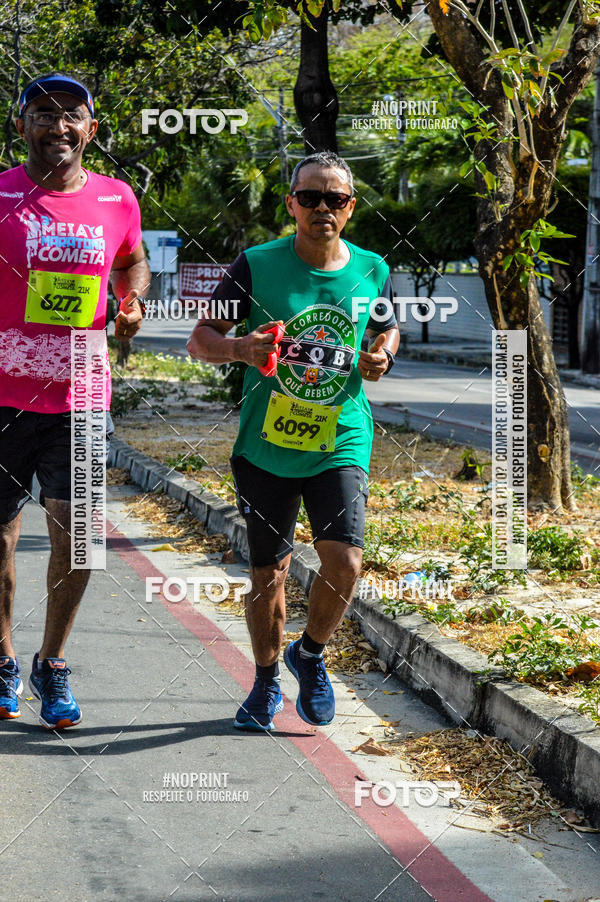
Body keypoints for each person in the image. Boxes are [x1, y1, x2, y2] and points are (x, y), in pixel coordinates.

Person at [187, 151, 399, 731]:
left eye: (335, 199)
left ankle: (310, 653)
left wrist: (382, 355)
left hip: (340, 437)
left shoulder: (372, 269)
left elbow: (385, 328)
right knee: (268, 575)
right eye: (310, 198)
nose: (322, 209)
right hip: (265, 445)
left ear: (350, 208)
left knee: (346, 561)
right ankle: (263, 682)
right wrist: (239, 350)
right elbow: (201, 338)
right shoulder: (255, 265)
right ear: (292, 204)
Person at [0, 73, 150, 728]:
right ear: (21, 126)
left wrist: (133, 299)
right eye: (43, 113)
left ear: (92, 129)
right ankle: (2, 658)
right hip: (3, 395)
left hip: (83, 392)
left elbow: (131, 260)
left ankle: (51, 664)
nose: (58, 125)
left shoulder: (118, 198)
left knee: (80, 539)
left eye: (72, 115)